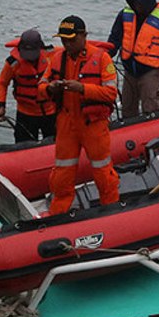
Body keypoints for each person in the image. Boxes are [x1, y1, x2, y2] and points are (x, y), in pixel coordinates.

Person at [38, 15, 120, 214]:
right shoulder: (57, 58)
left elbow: (111, 93)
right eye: (64, 40)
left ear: (84, 36)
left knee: (103, 172)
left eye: (71, 39)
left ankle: (111, 211)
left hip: (93, 124)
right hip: (66, 123)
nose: (67, 44)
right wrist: (51, 89)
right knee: (62, 174)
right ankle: (58, 214)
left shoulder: (101, 58)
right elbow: (41, 88)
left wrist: (82, 89)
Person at [0, 28, 57, 143]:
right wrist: (1, 105)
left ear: (40, 48)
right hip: (25, 114)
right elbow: (2, 83)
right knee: (23, 145)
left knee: (56, 144)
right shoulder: (13, 63)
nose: (29, 57)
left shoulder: (52, 56)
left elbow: (74, 50)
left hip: (50, 112)